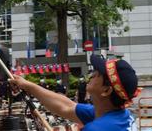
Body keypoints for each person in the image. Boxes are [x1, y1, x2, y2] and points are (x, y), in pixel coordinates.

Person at [11, 55, 139, 130]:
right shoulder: (119, 115)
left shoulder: (97, 128)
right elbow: (66, 106)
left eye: (97, 74)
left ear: (106, 90)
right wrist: (27, 85)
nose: (91, 75)